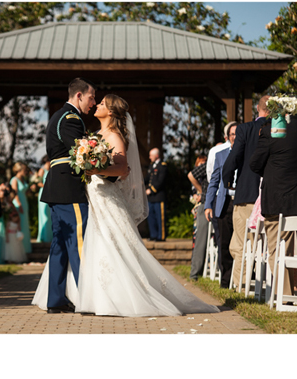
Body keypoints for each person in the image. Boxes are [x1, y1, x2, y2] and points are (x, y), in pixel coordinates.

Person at [69, 95, 217, 317]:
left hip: (108, 198)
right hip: (95, 198)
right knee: (100, 242)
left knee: (116, 243)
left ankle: (125, 297)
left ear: (110, 112)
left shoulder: (115, 135)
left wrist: (94, 169)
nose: (97, 105)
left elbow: (121, 169)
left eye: (101, 104)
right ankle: (100, 299)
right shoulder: (96, 136)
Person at [32, 78, 96, 312]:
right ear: (79, 96)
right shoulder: (70, 118)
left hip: (58, 188)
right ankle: (87, 299)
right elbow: (82, 152)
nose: (94, 102)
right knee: (79, 244)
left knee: (59, 246)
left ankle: (56, 300)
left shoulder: (58, 116)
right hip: (69, 188)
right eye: (91, 97)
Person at [249, 113, 297, 297]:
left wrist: (273, 170)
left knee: (278, 248)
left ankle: (285, 295)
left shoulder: (273, 131)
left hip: (278, 200)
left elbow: (255, 164)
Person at [222, 96, 269, 288]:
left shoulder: (245, 129)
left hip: (247, 194)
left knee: (241, 243)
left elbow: (234, 157)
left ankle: (241, 285)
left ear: (258, 108)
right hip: (271, 195)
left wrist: (227, 178)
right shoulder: (281, 130)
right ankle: (264, 285)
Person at [205, 124, 237, 289]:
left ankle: (239, 282)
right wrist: (208, 204)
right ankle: (225, 282)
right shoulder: (220, 155)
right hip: (223, 202)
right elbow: (213, 182)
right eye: (231, 134)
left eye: (237, 134)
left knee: (238, 243)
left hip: (240, 202)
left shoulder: (247, 155)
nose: (234, 137)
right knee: (223, 242)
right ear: (227, 136)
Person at [187, 156, 209, 281]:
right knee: (199, 237)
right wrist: (201, 192)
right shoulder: (199, 173)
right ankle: (195, 271)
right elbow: (191, 176)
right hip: (202, 206)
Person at [9, 161, 33, 255]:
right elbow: (15, 194)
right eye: (24, 170)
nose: (25, 171)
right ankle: (19, 250)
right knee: (20, 225)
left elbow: (23, 192)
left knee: (25, 225)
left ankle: (26, 248)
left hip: (24, 202)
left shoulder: (22, 179)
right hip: (19, 204)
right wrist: (19, 205)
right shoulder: (14, 179)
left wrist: (30, 189)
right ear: (19, 170)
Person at [145, 148, 167, 241]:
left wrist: (151, 190)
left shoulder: (163, 166)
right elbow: (148, 178)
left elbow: (161, 181)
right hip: (151, 198)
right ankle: (153, 235)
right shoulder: (151, 166)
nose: (150, 157)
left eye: (151, 155)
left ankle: (161, 236)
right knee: (151, 217)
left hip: (158, 196)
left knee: (160, 217)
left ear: (156, 155)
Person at [35, 157, 52, 242]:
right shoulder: (42, 170)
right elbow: (38, 183)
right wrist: (48, 187)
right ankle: (43, 237)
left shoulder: (51, 170)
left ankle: (49, 236)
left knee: (49, 216)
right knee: (44, 216)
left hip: (50, 194)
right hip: (43, 193)